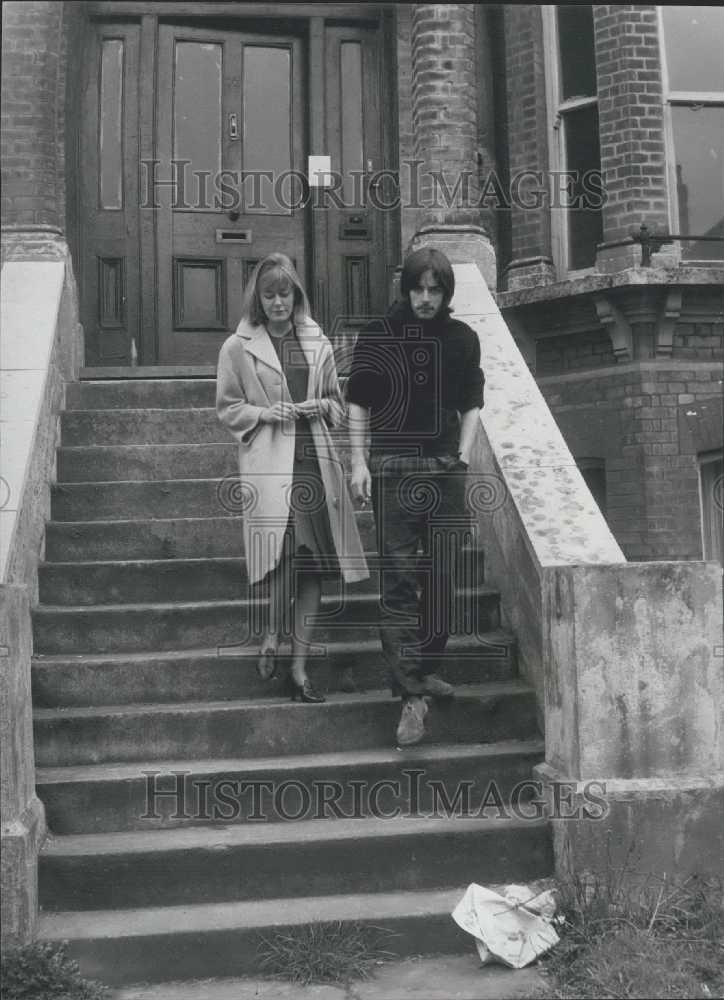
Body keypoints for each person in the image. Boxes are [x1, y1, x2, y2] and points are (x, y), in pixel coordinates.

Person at [347, 247, 484, 746]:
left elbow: (472, 404)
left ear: (446, 292)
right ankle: (410, 697)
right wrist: (358, 462)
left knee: (445, 576)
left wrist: (463, 458)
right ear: (404, 288)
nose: (425, 298)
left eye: (435, 289)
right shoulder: (378, 337)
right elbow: (358, 403)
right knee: (401, 582)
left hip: (444, 468)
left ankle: (425, 669)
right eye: (418, 288)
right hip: (393, 468)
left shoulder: (463, 339)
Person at [216, 253, 369, 702]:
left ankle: (299, 669)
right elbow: (228, 407)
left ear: (296, 294)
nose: (278, 302)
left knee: (314, 568)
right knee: (287, 556)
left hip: (314, 462)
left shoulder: (316, 340)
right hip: (272, 464)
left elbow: (338, 405)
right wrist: (266, 412)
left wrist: (323, 406)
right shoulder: (237, 346)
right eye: (269, 295)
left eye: (286, 293)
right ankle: (269, 634)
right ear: (257, 299)